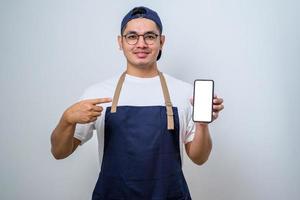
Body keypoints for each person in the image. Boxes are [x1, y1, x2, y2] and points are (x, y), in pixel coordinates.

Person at [51, 6, 224, 200]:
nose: (141, 44)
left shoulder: (184, 93)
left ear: (162, 41)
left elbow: (199, 158)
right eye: (132, 36)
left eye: (150, 36)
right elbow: (59, 152)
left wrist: (202, 124)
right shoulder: (98, 94)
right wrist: (67, 120)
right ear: (120, 42)